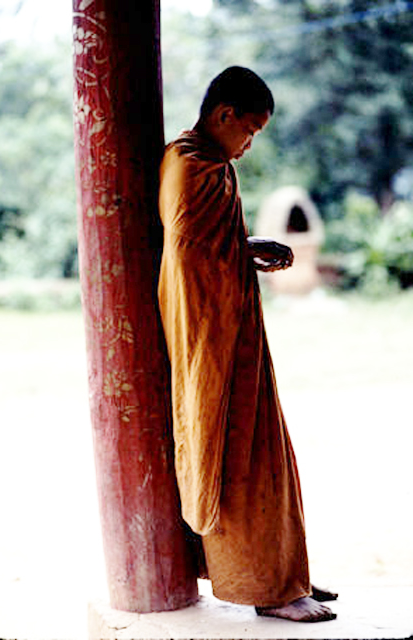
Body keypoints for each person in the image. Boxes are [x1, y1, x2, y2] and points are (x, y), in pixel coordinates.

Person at [158, 66, 337, 623]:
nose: (250, 143)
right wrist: (241, 250)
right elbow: (189, 257)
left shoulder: (209, 164)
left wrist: (246, 245)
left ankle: (286, 574)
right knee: (239, 459)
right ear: (224, 115)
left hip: (235, 334)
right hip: (211, 340)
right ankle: (269, 589)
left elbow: (213, 244)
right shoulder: (189, 165)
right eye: (250, 130)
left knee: (269, 455)